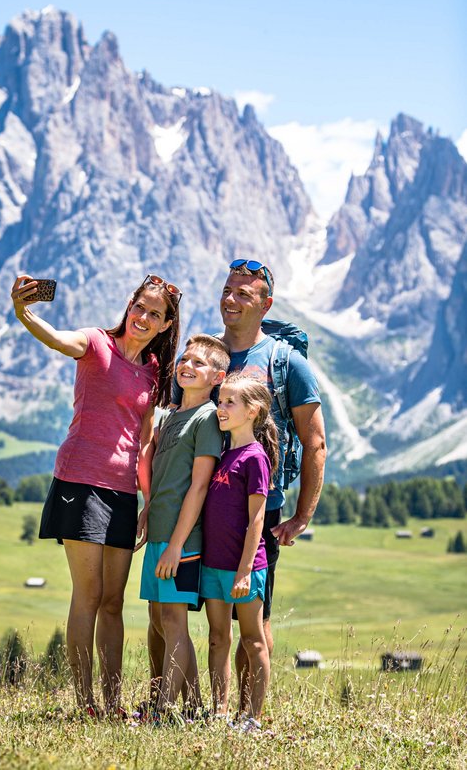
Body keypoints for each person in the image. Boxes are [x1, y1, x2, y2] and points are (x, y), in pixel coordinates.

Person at [10, 272, 181, 717]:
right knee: (88, 595)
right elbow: (57, 340)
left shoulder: (153, 371)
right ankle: (86, 704)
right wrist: (24, 312)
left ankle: (112, 702)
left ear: (166, 325)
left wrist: (146, 501)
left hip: (122, 493)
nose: (143, 317)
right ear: (129, 305)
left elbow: (144, 440)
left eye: (155, 314)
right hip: (80, 482)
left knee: (113, 601)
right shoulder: (95, 342)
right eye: (139, 307)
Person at [172, 258, 326, 700]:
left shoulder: (286, 362)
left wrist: (301, 516)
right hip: (195, 504)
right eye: (227, 290)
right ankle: (195, 706)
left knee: (253, 620)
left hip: (257, 507)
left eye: (243, 293)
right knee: (174, 609)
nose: (230, 299)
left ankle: (248, 714)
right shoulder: (204, 355)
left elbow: (315, 441)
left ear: (266, 305)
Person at [136, 334, 229, 718]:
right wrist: (148, 510)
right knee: (159, 619)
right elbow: (163, 475)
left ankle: (163, 710)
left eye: (199, 363)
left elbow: (199, 485)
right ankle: (192, 707)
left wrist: (176, 545)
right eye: (184, 359)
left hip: (182, 540)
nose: (187, 366)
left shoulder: (207, 418)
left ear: (217, 377)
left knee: (174, 620)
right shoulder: (171, 416)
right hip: (159, 531)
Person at [201, 373, 280, 731]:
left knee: (252, 640)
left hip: (245, 568)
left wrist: (245, 570)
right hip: (213, 564)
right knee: (217, 638)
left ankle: (252, 717)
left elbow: (257, 519)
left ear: (253, 411)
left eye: (229, 402)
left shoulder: (254, 457)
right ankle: (219, 712)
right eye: (220, 401)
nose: (221, 408)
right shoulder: (222, 454)